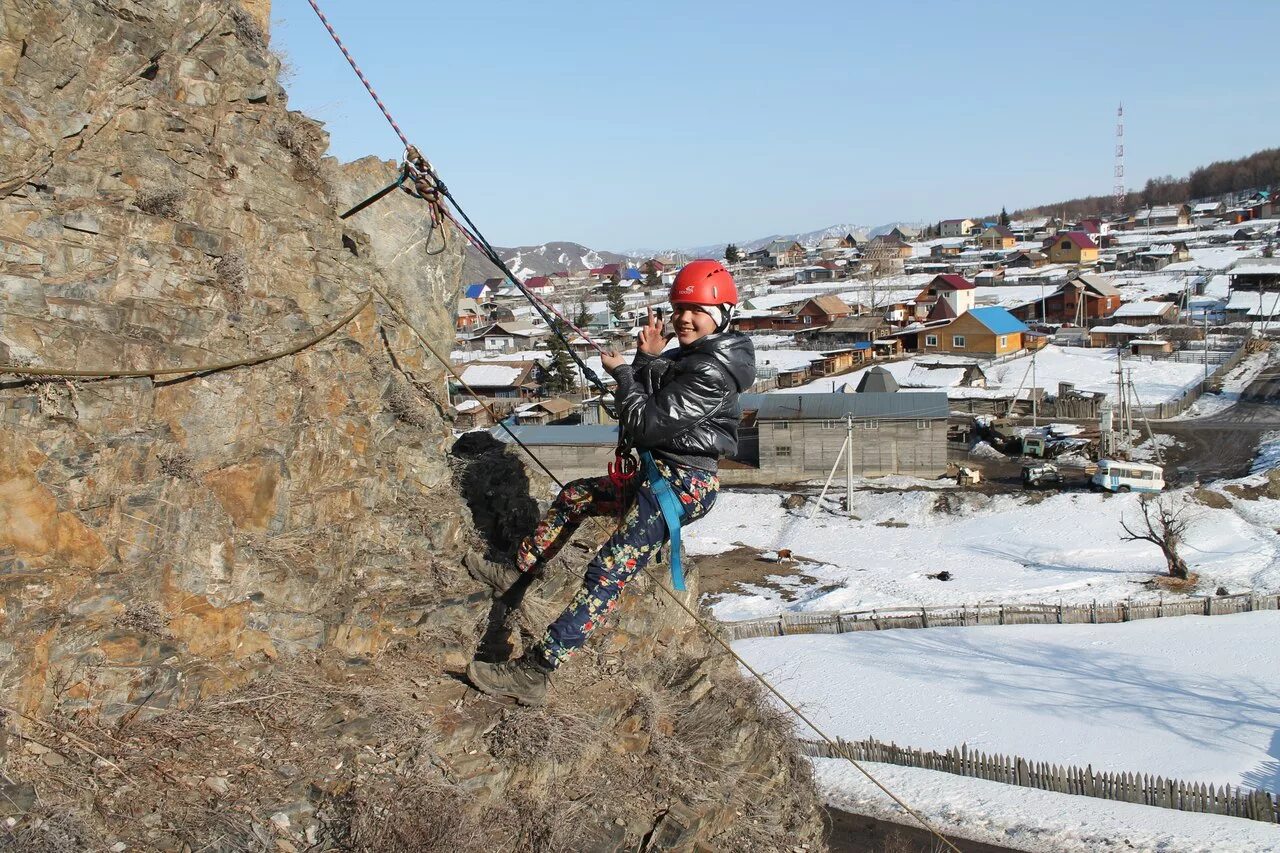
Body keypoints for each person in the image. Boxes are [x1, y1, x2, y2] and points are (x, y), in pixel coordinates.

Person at [466, 259, 756, 705]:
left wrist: (623, 374)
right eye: (680, 308)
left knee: (607, 572)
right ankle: (515, 574)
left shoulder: (711, 370)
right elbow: (651, 391)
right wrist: (644, 359)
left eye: (696, 309)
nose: (684, 318)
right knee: (576, 496)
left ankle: (537, 671)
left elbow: (645, 424)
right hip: (662, 477)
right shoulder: (694, 354)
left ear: (721, 315)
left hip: (680, 486)